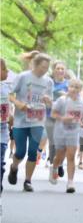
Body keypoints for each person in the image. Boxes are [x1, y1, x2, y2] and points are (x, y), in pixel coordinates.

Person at [7, 53, 54, 192]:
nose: (44, 70)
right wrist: (19, 104)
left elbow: (50, 102)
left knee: (33, 151)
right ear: (35, 64)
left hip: (38, 121)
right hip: (21, 120)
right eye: (42, 67)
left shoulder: (48, 82)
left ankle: (28, 181)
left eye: (47, 68)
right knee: (20, 152)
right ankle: (14, 167)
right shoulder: (23, 77)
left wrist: (48, 101)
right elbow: (10, 94)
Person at [48, 78, 83, 193]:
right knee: (60, 155)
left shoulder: (82, 103)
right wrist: (63, 118)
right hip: (60, 130)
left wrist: (82, 122)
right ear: (68, 87)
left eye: (77, 87)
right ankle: (54, 167)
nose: (74, 89)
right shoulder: (62, 100)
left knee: (71, 156)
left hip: (73, 131)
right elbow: (53, 114)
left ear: (80, 89)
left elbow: (80, 117)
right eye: (72, 86)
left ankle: (70, 182)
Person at [42, 60, 70, 172]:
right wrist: (46, 100)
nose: (60, 70)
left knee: (62, 141)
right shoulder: (48, 83)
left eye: (62, 68)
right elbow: (42, 96)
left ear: (65, 71)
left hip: (63, 118)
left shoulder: (68, 84)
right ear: (54, 70)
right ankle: (54, 164)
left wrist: (67, 95)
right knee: (53, 141)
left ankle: (59, 163)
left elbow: (74, 99)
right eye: (58, 68)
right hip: (49, 116)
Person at [0, 58, 11, 189]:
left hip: (2, 136)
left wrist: (10, 116)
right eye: (4, 69)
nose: (7, 71)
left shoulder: (5, 88)